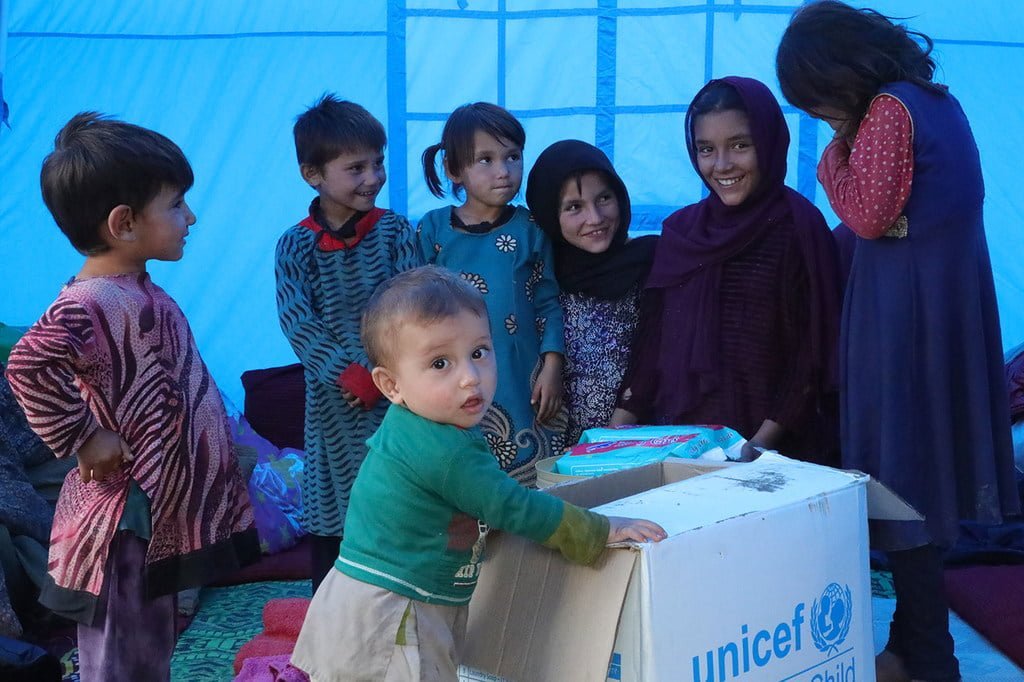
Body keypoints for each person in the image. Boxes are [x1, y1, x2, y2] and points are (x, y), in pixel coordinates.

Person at [777, 3, 1021, 680]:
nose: (821, 112)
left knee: (905, 480)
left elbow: (867, 213)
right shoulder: (939, 102)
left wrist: (832, 156)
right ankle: (915, 641)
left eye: (817, 97)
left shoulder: (888, 112)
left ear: (839, 73)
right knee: (920, 480)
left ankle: (928, 655)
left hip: (906, 324)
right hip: (940, 312)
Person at [288, 266, 666, 681]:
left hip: (385, 604)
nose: (470, 377)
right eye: (439, 363)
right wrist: (598, 530)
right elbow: (511, 506)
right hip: (395, 615)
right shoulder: (444, 450)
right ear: (391, 386)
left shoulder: (424, 425)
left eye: (479, 352)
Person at [4, 113, 258, 681]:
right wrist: (83, 436)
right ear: (123, 223)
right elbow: (27, 362)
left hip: (153, 515)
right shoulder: (91, 302)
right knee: (122, 657)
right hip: (124, 520)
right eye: (176, 204)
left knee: (150, 648)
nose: (190, 217)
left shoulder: (136, 289)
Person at [610, 77, 842, 466]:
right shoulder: (683, 233)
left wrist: (759, 446)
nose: (721, 165)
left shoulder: (800, 228)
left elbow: (812, 354)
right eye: (706, 149)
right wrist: (615, 432)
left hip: (779, 457)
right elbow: (653, 344)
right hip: (687, 449)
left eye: (739, 145)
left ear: (768, 142)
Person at [275, 95, 422, 591]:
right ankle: (334, 630)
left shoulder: (398, 232)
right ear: (311, 174)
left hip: (397, 394)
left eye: (378, 164)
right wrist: (346, 373)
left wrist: (377, 373)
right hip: (332, 405)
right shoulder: (294, 245)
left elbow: (406, 308)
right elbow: (298, 321)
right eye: (356, 168)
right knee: (337, 506)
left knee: (398, 500)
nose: (373, 178)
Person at [419, 103, 566, 485]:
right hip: (457, 375)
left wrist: (552, 366)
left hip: (522, 376)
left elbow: (549, 300)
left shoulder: (530, 228)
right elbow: (415, 310)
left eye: (512, 157)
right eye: (485, 159)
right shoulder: (433, 230)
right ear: (453, 170)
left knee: (535, 491)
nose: (503, 171)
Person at [525, 140, 658, 445]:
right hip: (555, 450)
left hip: (636, 444)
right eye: (574, 207)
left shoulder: (649, 263)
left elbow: (654, 355)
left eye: (604, 198)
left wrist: (612, 436)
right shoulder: (539, 275)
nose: (595, 218)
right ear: (549, 213)